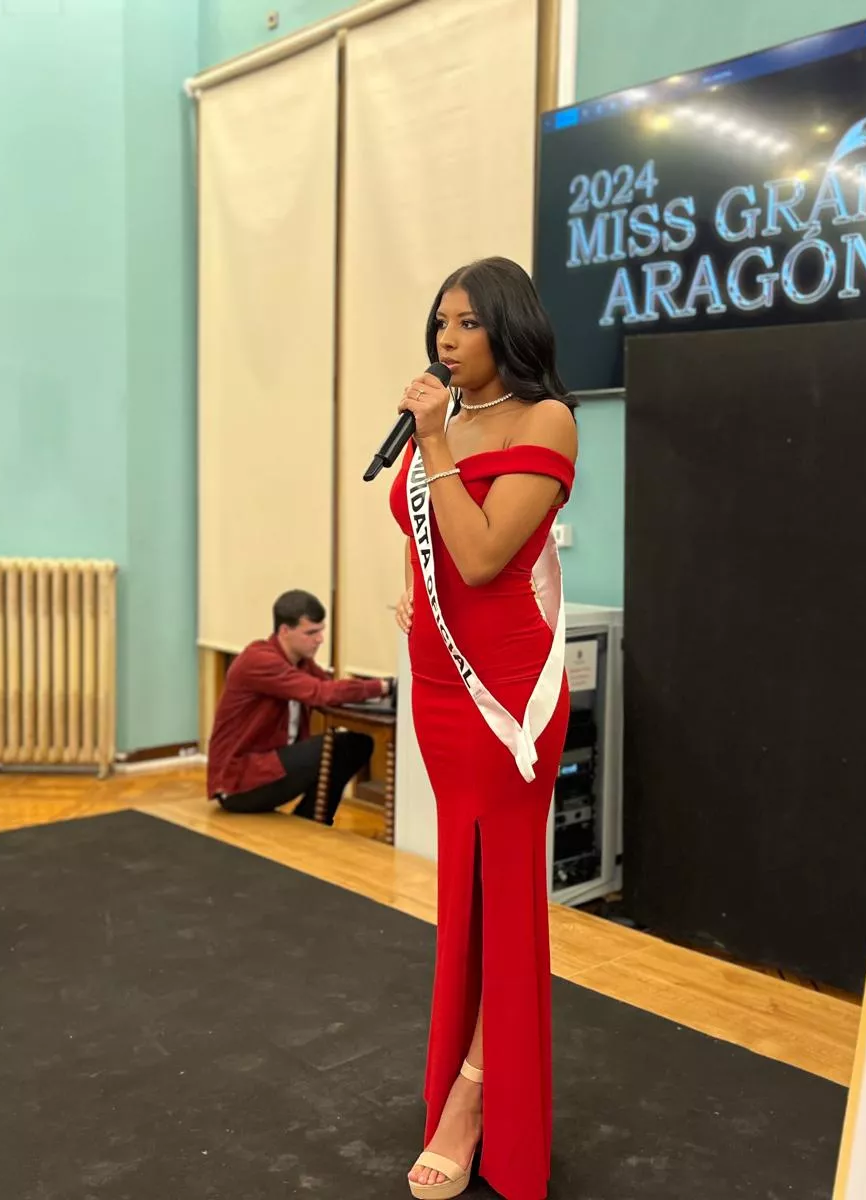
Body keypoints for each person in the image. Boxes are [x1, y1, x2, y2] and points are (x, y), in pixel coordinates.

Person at [389, 257, 578, 1200]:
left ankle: (471, 1100)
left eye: (465, 323)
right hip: (436, 687)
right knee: (462, 893)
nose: (446, 340)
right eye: (441, 323)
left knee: (503, 897)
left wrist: (433, 444)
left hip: (508, 695)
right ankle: (469, 1079)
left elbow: (481, 555)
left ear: (509, 328)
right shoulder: (451, 426)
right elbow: (430, 557)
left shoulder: (547, 421)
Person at [206, 589, 391, 824]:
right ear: (285, 630)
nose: (320, 639)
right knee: (337, 747)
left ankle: (313, 821)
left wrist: (374, 693)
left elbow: (329, 688)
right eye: (311, 633)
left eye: (321, 631)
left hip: (269, 768)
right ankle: (312, 821)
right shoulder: (259, 660)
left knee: (358, 744)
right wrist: (383, 686)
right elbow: (319, 693)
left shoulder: (300, 662)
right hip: (239, 783)